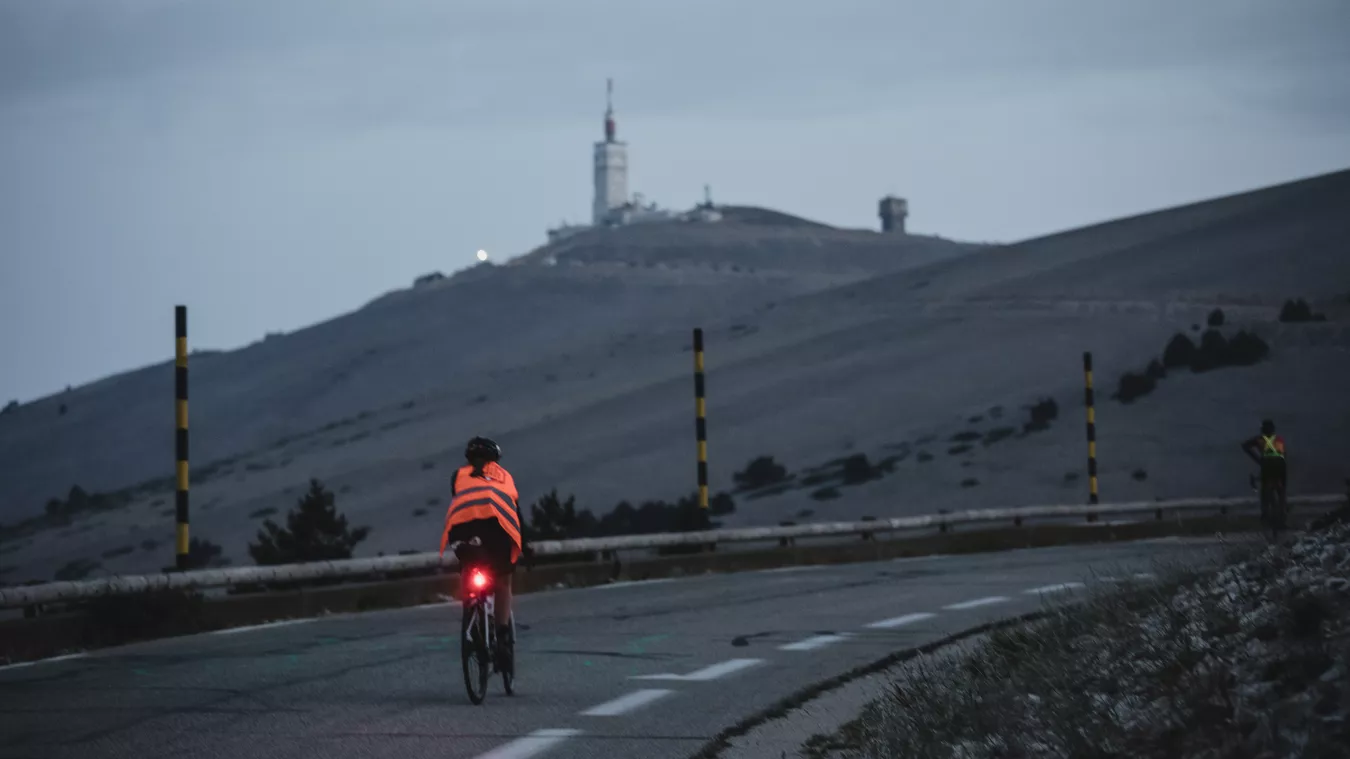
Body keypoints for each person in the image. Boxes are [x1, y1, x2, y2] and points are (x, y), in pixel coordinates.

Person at [439, 436, 532, 670]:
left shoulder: (458, 476)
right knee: (502, 582)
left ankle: (470, 611)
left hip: (461, 533)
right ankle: (501, 637)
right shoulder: (504, 476)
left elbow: (462, 504)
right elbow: (514, 514)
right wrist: (526, 546)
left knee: (468, 568)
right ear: (495, 459)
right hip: (496, 532)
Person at [1241, 419, 1287, 527]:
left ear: (1262, 430)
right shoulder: (1279, 439)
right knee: (1281, 491)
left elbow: (1244, 446)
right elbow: (1284, 454)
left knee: (1265, 490)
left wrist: (1257, 459)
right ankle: (1282, 518)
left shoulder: (1259, 439)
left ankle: (1265, 515)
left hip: (1267, 465)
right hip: (1281, 465)